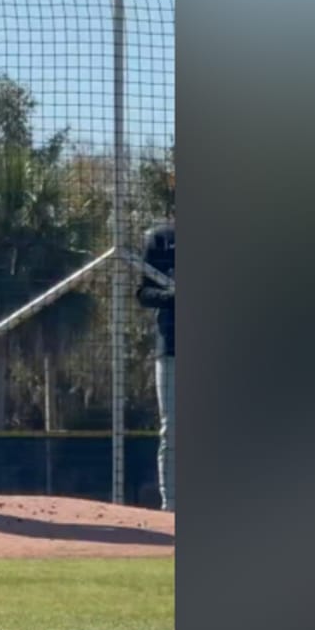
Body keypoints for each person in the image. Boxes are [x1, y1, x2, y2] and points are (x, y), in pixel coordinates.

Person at [136, 209, 175, 511]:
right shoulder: (160, 238)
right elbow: (144, 293)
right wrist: (171, 296)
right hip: (173, 347)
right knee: (172, 428)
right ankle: (171, 504)